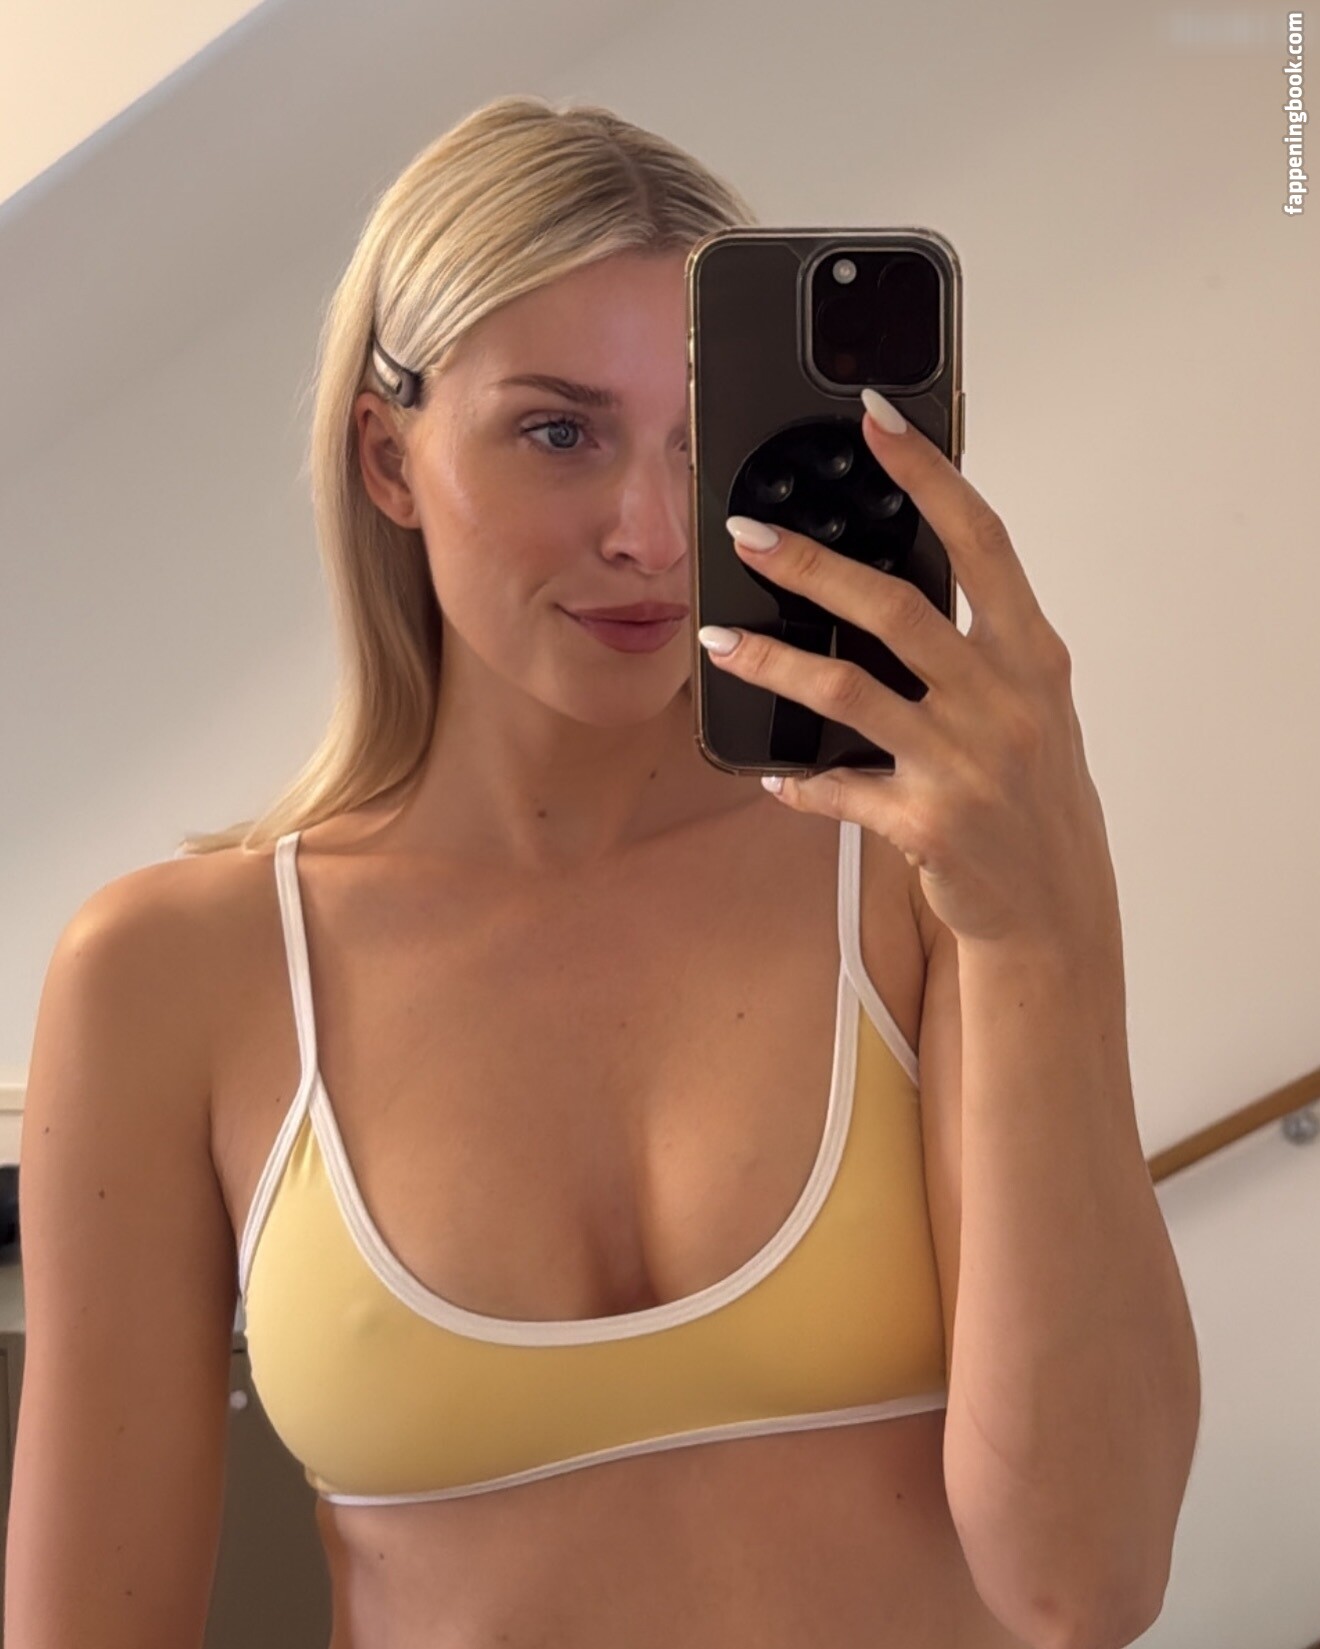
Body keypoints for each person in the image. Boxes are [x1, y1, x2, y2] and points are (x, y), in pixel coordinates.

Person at [8, 94, 999, 1648]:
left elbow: (1094, 1570)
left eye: (699, 439)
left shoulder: (916, 863)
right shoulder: (166, 976)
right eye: (558, 432)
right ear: (387, 457)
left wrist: (1052, 907)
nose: (651, 532)